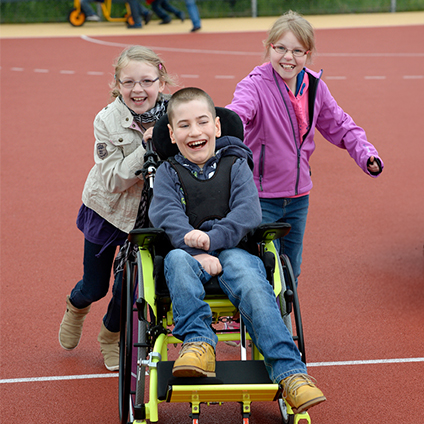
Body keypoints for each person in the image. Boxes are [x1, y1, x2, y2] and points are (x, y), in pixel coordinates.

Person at [148, 87, 326, 414]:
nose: (195, 132)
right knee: (175, 260)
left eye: (202, 122)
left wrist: (212, 241)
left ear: (217, 127)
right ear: (172, 134)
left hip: (235, 250)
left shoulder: (236, 164)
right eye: (184, 126)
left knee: (256, 286)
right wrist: (192, 241)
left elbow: (247, 213)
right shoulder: (167, 173)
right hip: (185, 251)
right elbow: (165, 214)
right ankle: (199, 343)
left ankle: (292, 374)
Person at [226, 10, 384, 284]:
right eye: (281, 49)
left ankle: (285, 321)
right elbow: (238, 113)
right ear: (269, 48)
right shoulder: (253, 86)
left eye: (297, 51)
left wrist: (366, 153)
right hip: (260, 197)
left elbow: (341, 125)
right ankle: (265, 324)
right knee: (263, 269)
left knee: (291, 269)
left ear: (308, 54)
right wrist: (222, 129)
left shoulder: (314, 86)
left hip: (298, 198)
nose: (288, 57)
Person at [58, 46, 174, 371]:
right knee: (95, 287)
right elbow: (111, 179)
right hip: (108, 212)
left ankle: (110, 335)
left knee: (129, 289)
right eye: (128, 82)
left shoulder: (177, 113)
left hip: (149, 218)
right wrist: (149, 146)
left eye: (147, 81)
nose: (138, 90)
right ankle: (76, 305)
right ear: (117, 84)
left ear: (161, 82)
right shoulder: (106, 120)